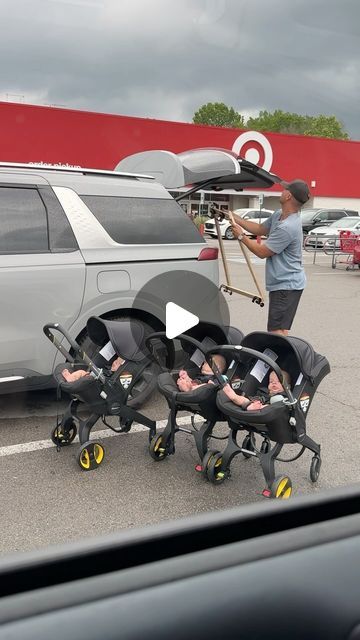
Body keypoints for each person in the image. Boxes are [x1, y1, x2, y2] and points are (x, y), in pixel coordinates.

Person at [227, 179, 310, 336]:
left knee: (275, 331)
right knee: (281, 329)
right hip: (287, 284)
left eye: (285, 190)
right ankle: (283, 357)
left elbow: (262, 252)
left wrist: (241, 236)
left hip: (286, 285)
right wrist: (234, 217)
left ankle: (280, 358)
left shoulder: (288, 227)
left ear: (288, 197)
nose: (282, 191)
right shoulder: (280, 215)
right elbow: (259, 229)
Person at [222, 370, 290, 411]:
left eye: (278, 381)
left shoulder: (285, 396)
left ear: (288, 386)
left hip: (270, 409)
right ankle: (233, 394)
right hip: (255, 402)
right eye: (271, 381)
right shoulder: (263, 391)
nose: (274, 383)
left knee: (277, 400)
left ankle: (255, 407)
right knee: (244, 399)